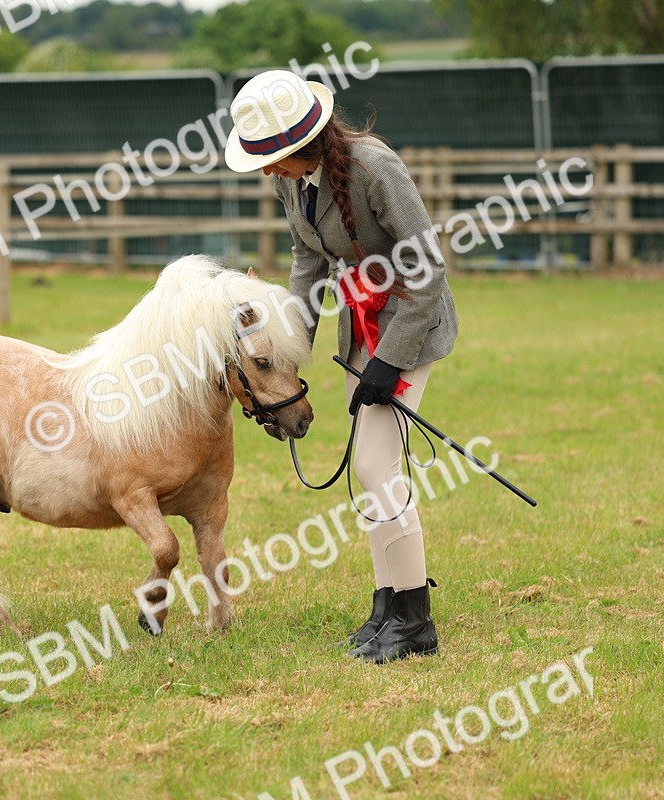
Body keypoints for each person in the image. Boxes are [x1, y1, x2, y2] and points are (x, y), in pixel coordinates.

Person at [224, 70, 459, 664]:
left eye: (270, 157)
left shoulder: (375, 167)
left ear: (300, 142)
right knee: (368, 468)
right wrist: (286, 349)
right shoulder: (295, 181)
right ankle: (388, 605)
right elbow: (307, 259)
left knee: (380, 468)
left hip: (409, 326)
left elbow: (427, 269)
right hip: (359, 327)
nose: (264, 170)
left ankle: (416, 622)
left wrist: (390, 360)